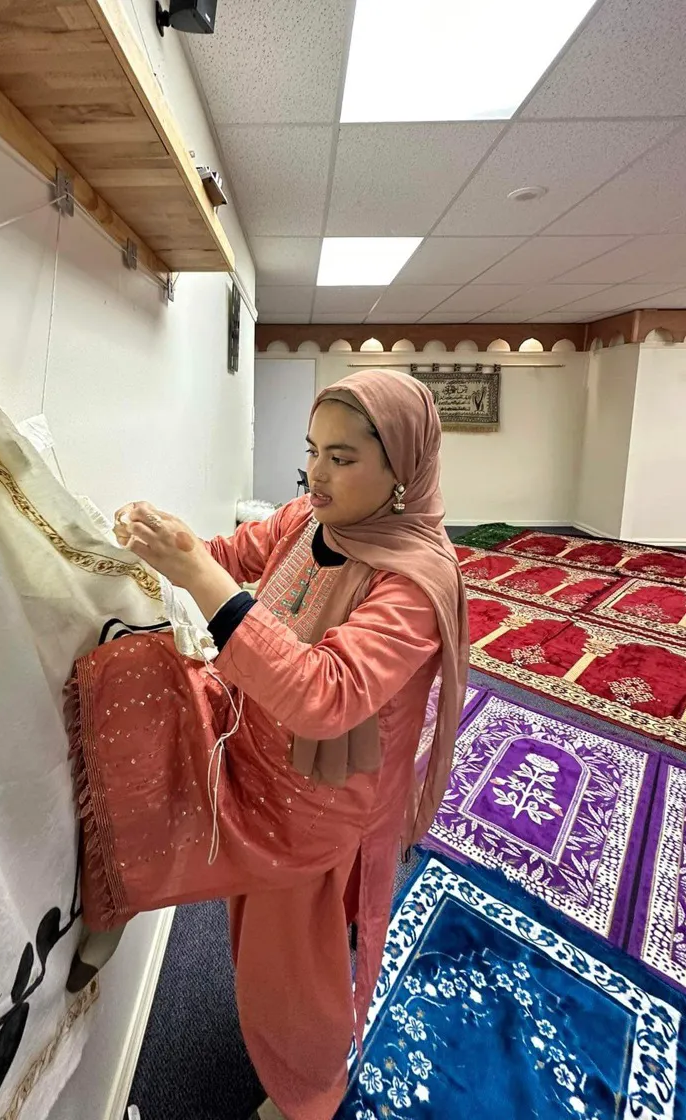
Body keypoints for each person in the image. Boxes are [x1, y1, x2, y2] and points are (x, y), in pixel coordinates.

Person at [67, 369, 468, 1120]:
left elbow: (327, 695)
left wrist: (194, 569)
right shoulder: (309, 521)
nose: (316, 475)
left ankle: (307, 1095)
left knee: (287, 979)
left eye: (342, 458)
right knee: (130, 681)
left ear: (403, 472)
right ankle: (115, 898)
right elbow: (228, 550)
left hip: (315, 800)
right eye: (311, 453)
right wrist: (140, 542)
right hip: (247, 739)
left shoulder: (414, 581)